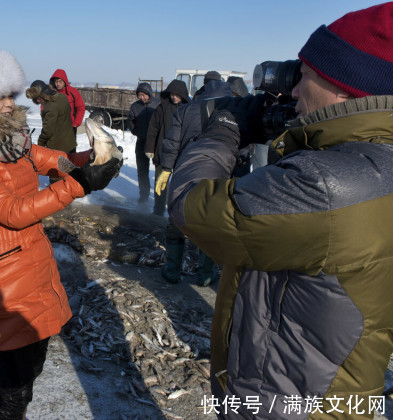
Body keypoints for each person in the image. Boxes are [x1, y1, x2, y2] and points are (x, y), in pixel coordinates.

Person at [166, 3, 393, 417]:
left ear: (345, 87)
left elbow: (190, 204)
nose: (292, 91)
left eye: (303, 77)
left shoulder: (326, 184)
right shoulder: (376, 164)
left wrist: (224, 131)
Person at [0, 50, 121, 419]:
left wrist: (89, 162)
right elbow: (13, 213)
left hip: (34, 264)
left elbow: (52, 160)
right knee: (14, 392)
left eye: (10, 96)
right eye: (0, 96)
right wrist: (77, 186)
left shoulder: (14, 143)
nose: (8, 104)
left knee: (32, 372)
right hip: (4, 280)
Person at [155, 79, 232, 285]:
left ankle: (172, 270)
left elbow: (172, 143)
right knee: (211, 224)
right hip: (218, 177)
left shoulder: (186, 110)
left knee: (178, 219)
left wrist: (167, 168)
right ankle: (206, 275)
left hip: (185, 172)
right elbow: (238, 149)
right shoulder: (232, 111)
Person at [144, 79, 190, 216]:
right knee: (160, 184)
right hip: (162, 151)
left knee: (179, 185)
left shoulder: (188, 109)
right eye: (172, 94)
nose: (174, 97)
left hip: (181, 154)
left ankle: (176, 212)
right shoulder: (162, 108)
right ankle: (158, 210)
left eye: (177, 94)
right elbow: (153, 128)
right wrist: (150, 148)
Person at [127, 82, 160, 204]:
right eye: (139, 95)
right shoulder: (135, 106)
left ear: (149, 94)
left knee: (158, 171)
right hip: (141, 141)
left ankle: (159, 196)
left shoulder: (158, 104)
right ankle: (144, 195)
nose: (142, 98)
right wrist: (136, 131)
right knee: (142, 170)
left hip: (156, 142)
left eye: (144, 95)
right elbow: (130, 121)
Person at [25, 80, 77, 154]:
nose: (38, 101)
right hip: (70, 142)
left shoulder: (50, 107)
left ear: (42, 95)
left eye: (38, 98)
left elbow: (48, 130)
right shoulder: (62, 97)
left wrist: (40, 144)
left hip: (58, 147)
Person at [49, 69, 86, 134]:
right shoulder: (51, 93)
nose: (58, 84)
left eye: (60, 81)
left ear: (64, 81)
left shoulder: (73, 92)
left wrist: (75, 124)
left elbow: (81, 108)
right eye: (56, 81)